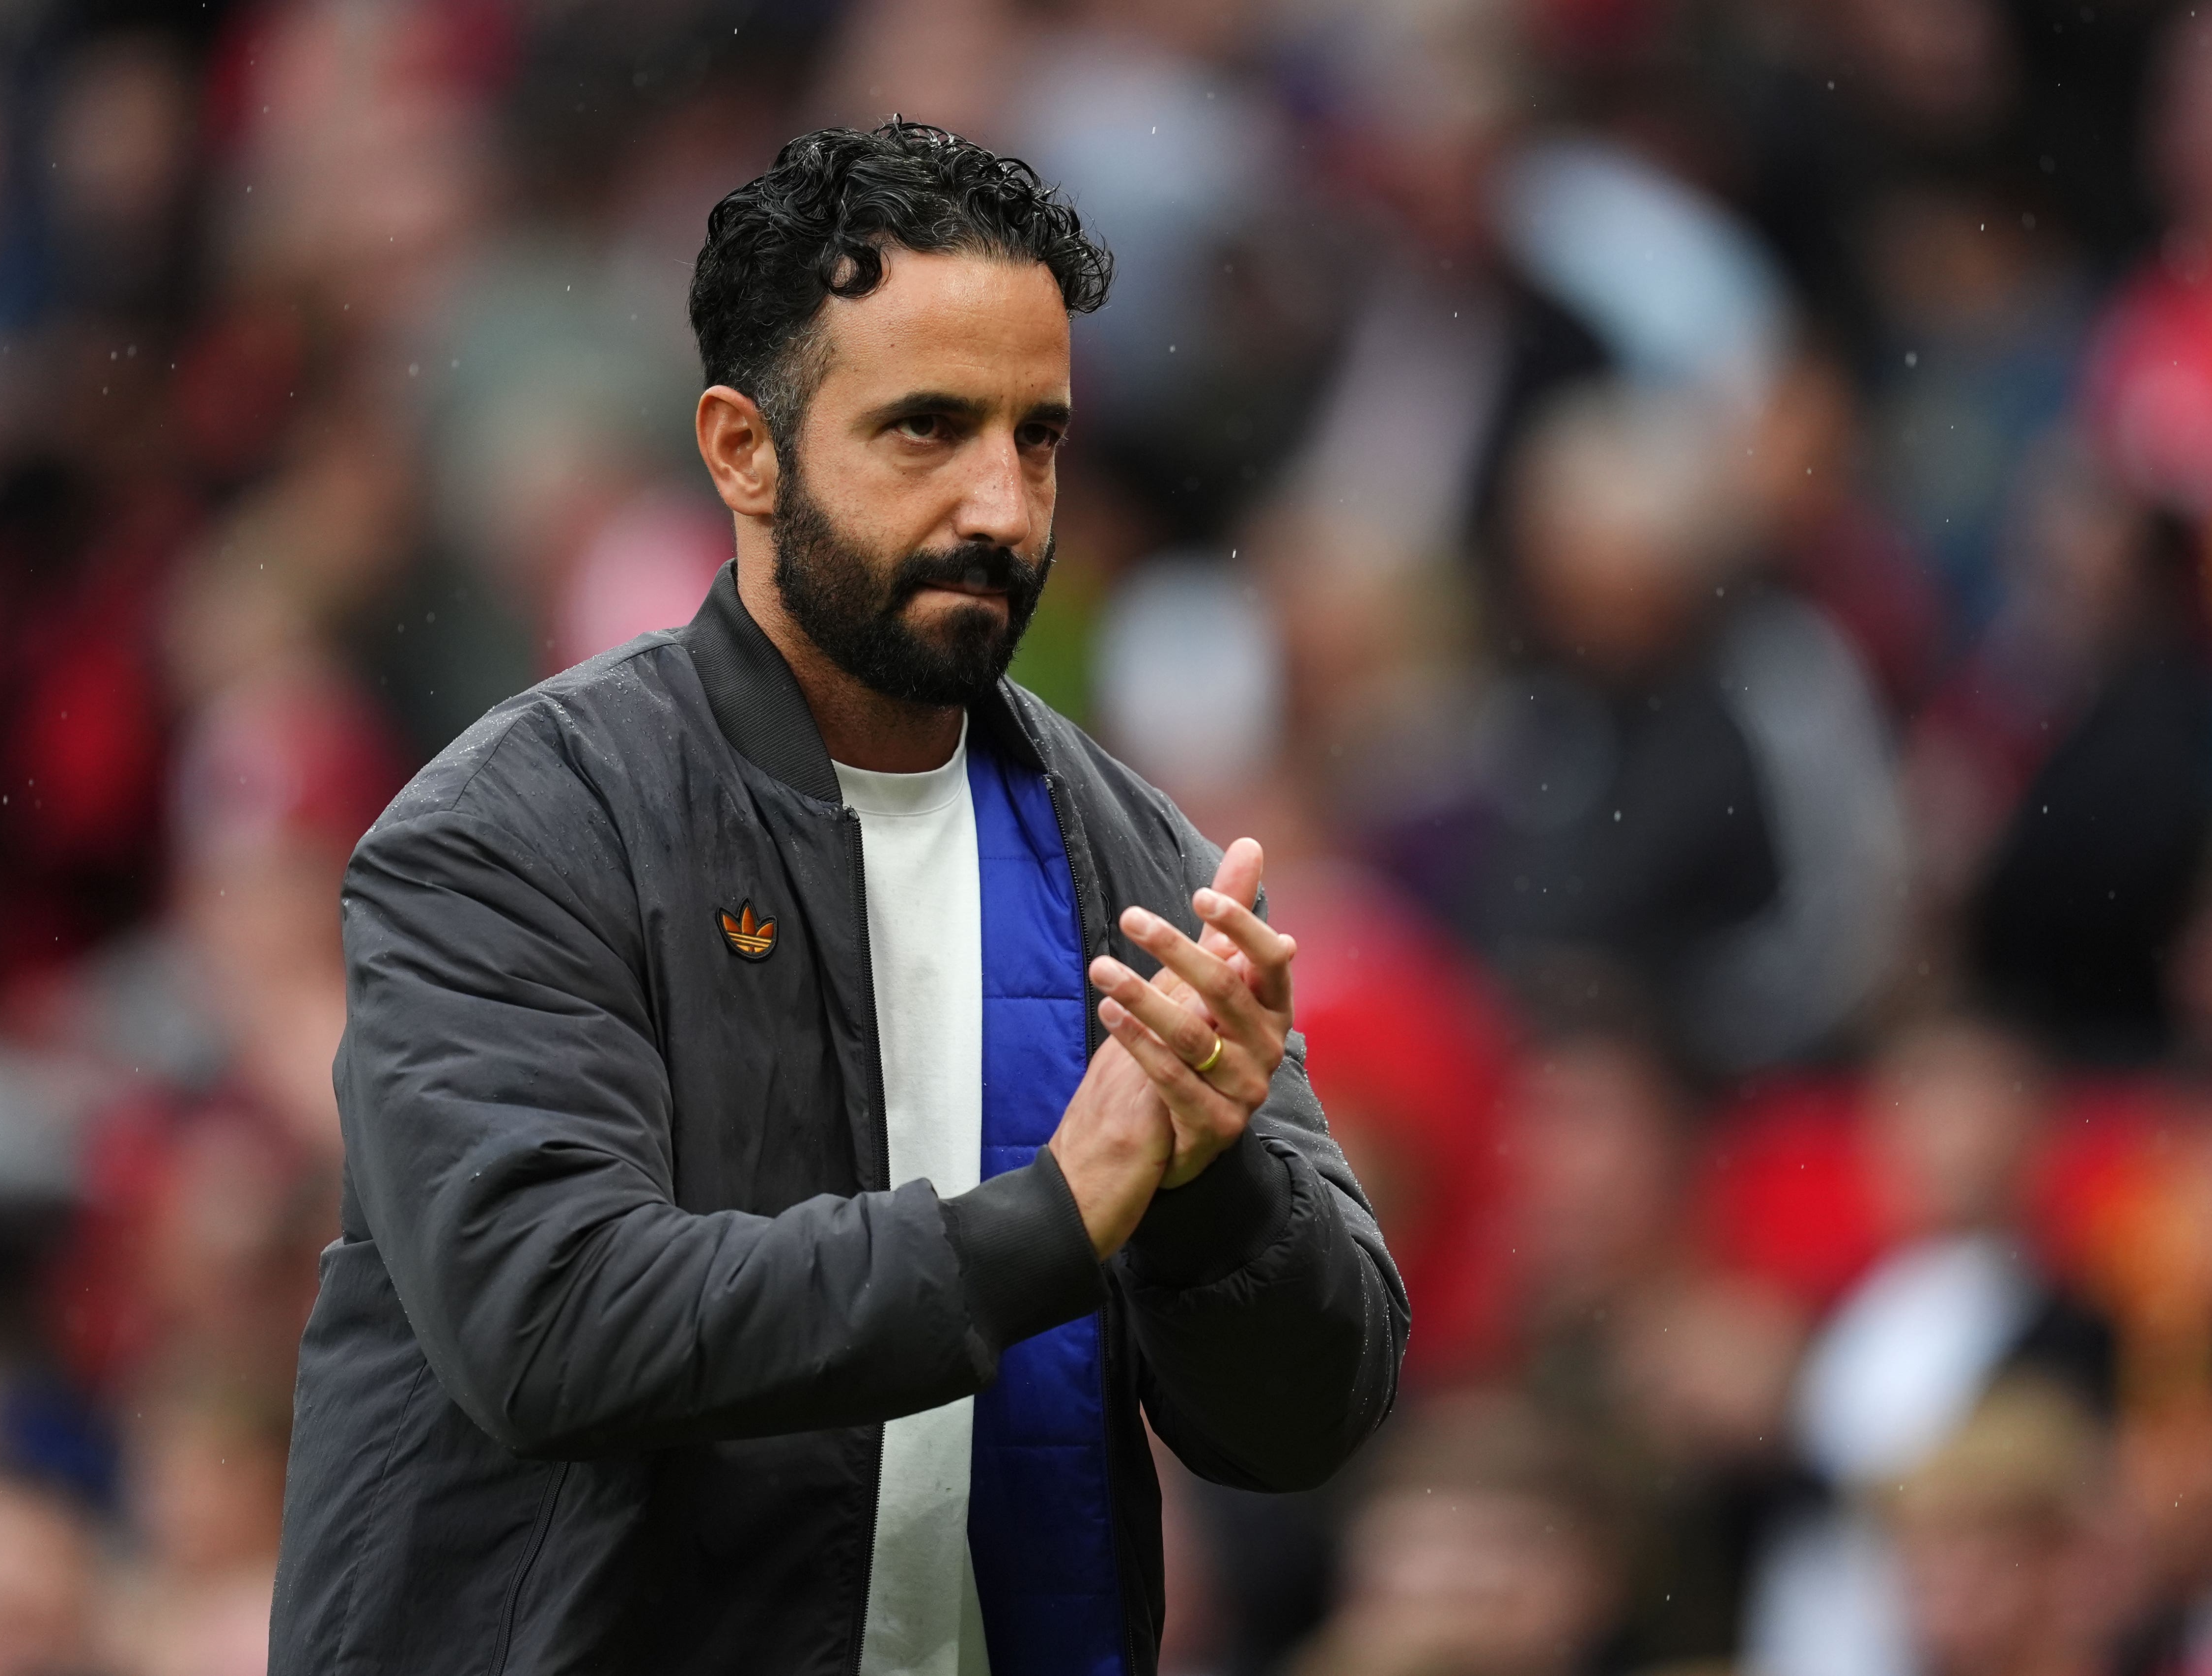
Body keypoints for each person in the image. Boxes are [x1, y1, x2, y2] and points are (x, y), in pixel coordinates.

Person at [268, 119, 1405, 1676]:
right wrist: (1050, 1220)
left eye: (1038, 437)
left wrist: (1213, 1188)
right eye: (927, 431)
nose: (1002, 509)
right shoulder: (513, 829)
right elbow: (550, 1320)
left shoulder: (1134, 857)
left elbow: (1304, 1420)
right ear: (742, 447)